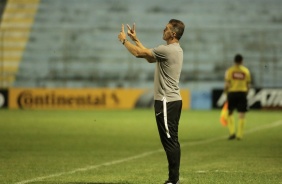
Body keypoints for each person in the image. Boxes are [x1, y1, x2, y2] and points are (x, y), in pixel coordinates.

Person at [118, 19, 185, 184]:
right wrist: (136, 40)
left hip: (166, 101)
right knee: (170, 139)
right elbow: (149, 58)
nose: (163, 30)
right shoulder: (173, 50)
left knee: (170, 140)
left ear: (173, 34)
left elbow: (139, 54)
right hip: (171, 100)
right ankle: (173, 178)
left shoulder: (167, 50)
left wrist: (124, 40)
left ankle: (173, 180)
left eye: (167, 28)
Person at [224, 54, 251, 140]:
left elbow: (227, 83)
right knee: (241, 113)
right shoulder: (246, 71)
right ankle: (239, 135)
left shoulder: (230, 71)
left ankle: (232, 133)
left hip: (232, 93)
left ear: (234, 61)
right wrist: (246, 93)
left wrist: (225, 92)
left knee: (230, 112)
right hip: (242, 93)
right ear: (241, 61)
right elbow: (248, 85)